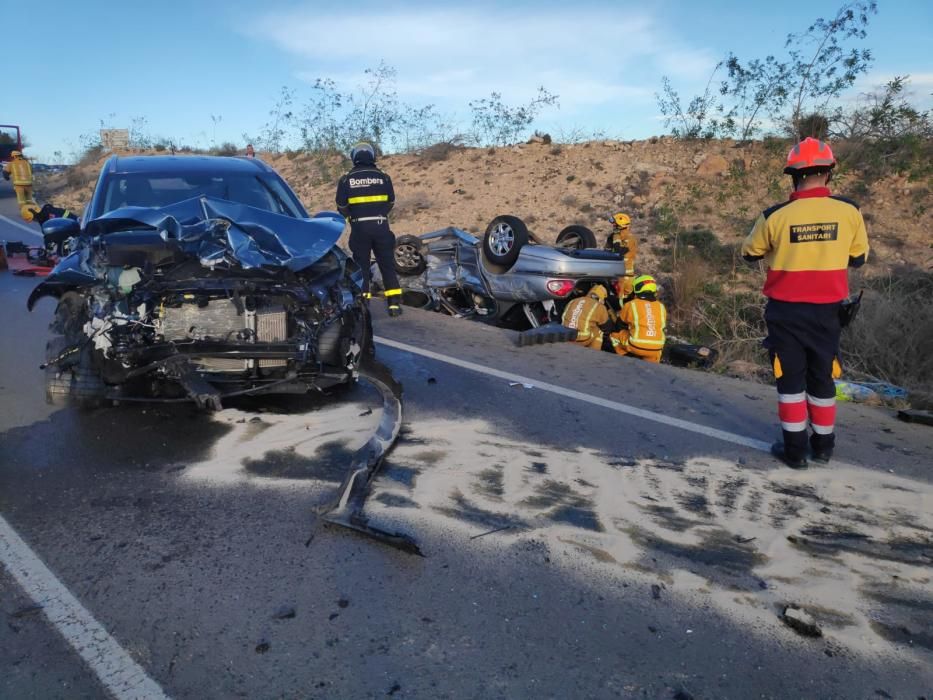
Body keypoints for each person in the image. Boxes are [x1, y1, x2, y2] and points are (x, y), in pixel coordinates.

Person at [742, 137, 869, 469]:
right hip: (828, 312)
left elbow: (749, 253)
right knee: (822, 378)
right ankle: (824, 447)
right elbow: (858, 258)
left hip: (786, 312)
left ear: (792, 175)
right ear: (828, 173)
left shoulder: (774, 215)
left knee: (790, 381)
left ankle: (795, 452)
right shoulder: (850, 211)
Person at [335, 142, 403, 317]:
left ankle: (363, 302)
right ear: (372, 157)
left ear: (354, 157)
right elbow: (390, 202)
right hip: (381, 226)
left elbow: (341, 206)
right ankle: (394, 304)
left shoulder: (346, 179)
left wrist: (353, 218)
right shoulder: (384, 177)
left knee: (362, 265)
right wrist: (378, 215)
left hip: (360, 227)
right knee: (387, 264)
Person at [610, 274, 667, 362]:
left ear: (637, 288)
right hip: (656, 348)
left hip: (636, 346)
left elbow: (619, 326)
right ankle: (654, 366)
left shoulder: (631, 304)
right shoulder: (661, 307)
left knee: (614, 335)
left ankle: (623, 358)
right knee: (656, 350)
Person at [561, 284, 613, 349]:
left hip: (564, 336)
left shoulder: (573, 301)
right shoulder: (599, 306)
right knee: (599, 331)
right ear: (602, 298)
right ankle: (593, 355)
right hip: (580, 339)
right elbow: (606, 328)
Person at [605, 212, 637, 299]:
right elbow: (606, 252)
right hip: (614, 274)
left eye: (615, 224)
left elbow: (619, 251)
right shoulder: (613, 237)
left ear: (621, 225)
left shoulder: (629, 238)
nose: (613, 226)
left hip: (625, 277)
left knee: (623, 300)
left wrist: (616, 237)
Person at [8, 151, 38, 219]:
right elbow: (32, 171)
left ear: (14, 156)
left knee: (22, 201)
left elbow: (5, 172)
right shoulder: (27, 163)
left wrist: (6, 177)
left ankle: (26, 214)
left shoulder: (12, 164)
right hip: (29, 184)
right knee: (29, 200)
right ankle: (33, 213)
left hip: (19, 185)